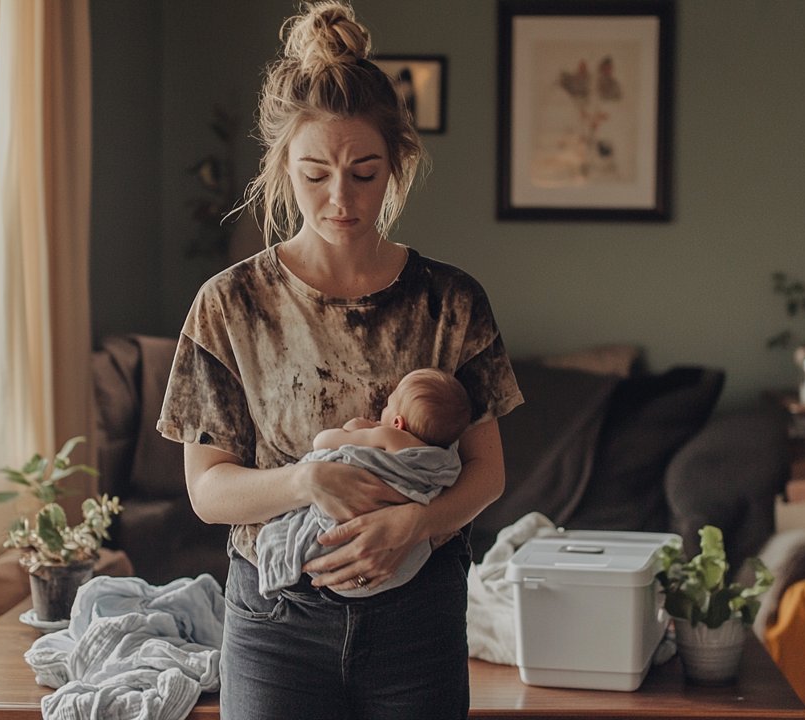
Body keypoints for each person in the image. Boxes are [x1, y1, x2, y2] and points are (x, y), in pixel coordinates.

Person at [157, 2, 523, 717]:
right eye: (315, 172)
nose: (340, 199)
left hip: (419, 618)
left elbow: (488, 474)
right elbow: (208, 492)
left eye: (363, 172)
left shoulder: (450, 300)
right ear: (282, 166)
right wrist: (308, 481)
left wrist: (414, 525)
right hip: (275, 625)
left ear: (398, 164)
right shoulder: (230, 305)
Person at [255, 368, 472, 599]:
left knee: (291, 529)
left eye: (389, 404)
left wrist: (353, 429)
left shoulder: (390, 437)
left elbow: (323, 443)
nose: (382, 411)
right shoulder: (445, 459)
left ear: (398, 422)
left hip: (346, 542)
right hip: (408, 572)